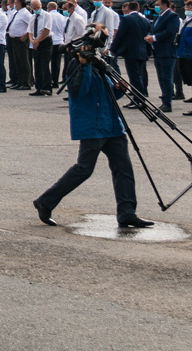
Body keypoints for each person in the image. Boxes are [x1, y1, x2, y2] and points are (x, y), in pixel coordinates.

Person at [33, 24, 154, 230]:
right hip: (91, 124)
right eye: (102, 35)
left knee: (123, 168)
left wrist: (120, 90)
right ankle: (45, 201)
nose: (104, 40)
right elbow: (80, 91)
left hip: (112, 124)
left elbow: (109, 94)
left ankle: (127, 212)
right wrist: (85, 65)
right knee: (84, 169)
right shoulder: (76, 63)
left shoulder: (104, 61)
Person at [110, 1, 151, 106]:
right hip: (142, 52)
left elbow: (120, 36)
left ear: (128, 9)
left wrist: (112, 49)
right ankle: (139, 98)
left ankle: (138, 100)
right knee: (139, 76)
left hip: (131, 52)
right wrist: (149, 52)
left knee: (134, 77)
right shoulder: (145, 20)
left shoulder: (126, 19)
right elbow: (148, 37)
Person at [145, 0, 181, 112]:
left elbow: (171, 31)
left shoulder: (172, 16)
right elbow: (153, 30)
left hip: (167, 52)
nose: (156, 7)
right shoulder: (158, 17)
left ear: (165, 5)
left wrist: (154, 38)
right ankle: (164, 101)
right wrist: (150, 36)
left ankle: (167, 103)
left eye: (158, 4)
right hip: (158, 52)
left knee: (166, 78)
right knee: (161, 78)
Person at [7, 0, 33, 91]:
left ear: (21, 3)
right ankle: (19, 81)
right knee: (17, 62)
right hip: (14, 39)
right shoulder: (17, 13)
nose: (15, 4)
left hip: (21, 40)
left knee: (23, 62)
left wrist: (26, 35)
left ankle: (26, 82)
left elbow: (32, 24)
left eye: (17, 3)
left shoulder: (25, 13)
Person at [28, 0, 53, 96]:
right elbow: (29, 31)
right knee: (37, 65)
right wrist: (32, 41)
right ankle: (38, 87)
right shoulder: (32, 17)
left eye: (37, 7)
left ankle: (47, 87)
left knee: (44, 65)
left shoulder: (47, 16)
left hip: (45, 41)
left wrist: (38, 41)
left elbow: (47, 30)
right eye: (34, 8)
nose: (36, 9)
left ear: (41, 6)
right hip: (35, 42)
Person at [90, 0, 120, 72]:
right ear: (92, 0)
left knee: (106, 68)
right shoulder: (94, 13)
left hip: (103, 44)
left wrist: (108, 46)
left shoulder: (107, 12)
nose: (97, 0)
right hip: (95, 43)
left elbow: (110, 29)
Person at [47, 2, 66, 89]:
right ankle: (55, 81)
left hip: (51, 41)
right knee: (56, 63)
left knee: (46, 62)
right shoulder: (62, 17)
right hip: (60, 40)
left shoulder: (48, 16)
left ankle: (48, 80)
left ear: (49, 8)